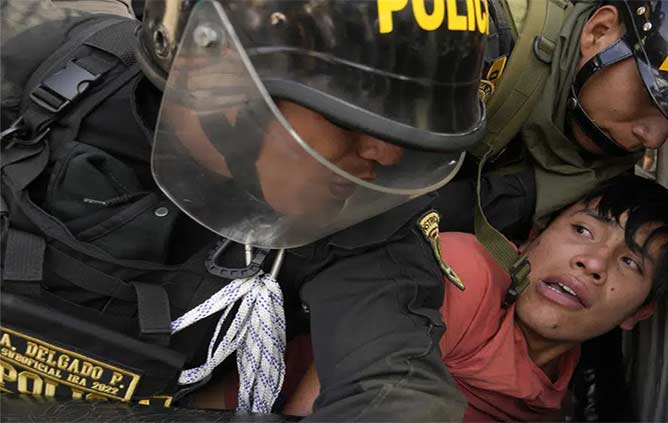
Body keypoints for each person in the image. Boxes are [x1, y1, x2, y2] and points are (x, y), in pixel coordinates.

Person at [0, 0, 491, 420]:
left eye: (407, 127)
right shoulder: (35, 79)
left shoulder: (357, 210)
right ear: (215, 73)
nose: (386, 157)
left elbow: (393, 383)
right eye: (353, 114)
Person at [276, 173, 668, 421]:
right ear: (533, 237)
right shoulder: (465, 274)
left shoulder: (561, 385)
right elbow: (322, 407)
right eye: (582, 231)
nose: (592, 263)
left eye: (629, 262)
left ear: (639, 311)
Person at [436, 0, 668, 240]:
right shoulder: (472, 36)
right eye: (651, 98)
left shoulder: (603, 170)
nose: (653, 139)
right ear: (599, 33)